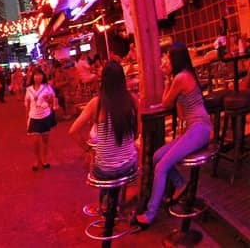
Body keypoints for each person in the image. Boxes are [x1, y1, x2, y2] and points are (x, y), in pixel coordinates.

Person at [133, 43, 212, 228]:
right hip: (196, 128)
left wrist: (167, 78)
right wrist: (169, 78)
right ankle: (180, 184)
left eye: (167, 57)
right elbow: (180, 111)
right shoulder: (184, 75)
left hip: (200, 129)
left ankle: (150, 215)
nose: (165, 60)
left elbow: (166, 102)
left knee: (161, 168)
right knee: (157, 156)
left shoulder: (181, 77)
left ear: (175, 59)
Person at [70, 61, 138, 206]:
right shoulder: (131, 99)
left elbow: (73, 131)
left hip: (105, 170)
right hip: (130, 166)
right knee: (119, 163)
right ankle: (114, 201)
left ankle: (107, 202)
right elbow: (138, 131)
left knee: (98, 163)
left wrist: (88, 150)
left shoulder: (97, 103)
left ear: (103, 80)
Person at [25, 67, 57, 170]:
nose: (38, 77)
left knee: (45, 140)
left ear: (43, 76)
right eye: (36, 75)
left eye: (40, 75)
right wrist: (27, 119)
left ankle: (44, 159)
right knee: (35, 142)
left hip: (45, 116)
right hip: (34, 117)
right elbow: (27, 104)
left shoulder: (47, 87)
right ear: (32, 77)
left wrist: (50, 104)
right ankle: (36, 160)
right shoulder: (28, 89)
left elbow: (53, 99)